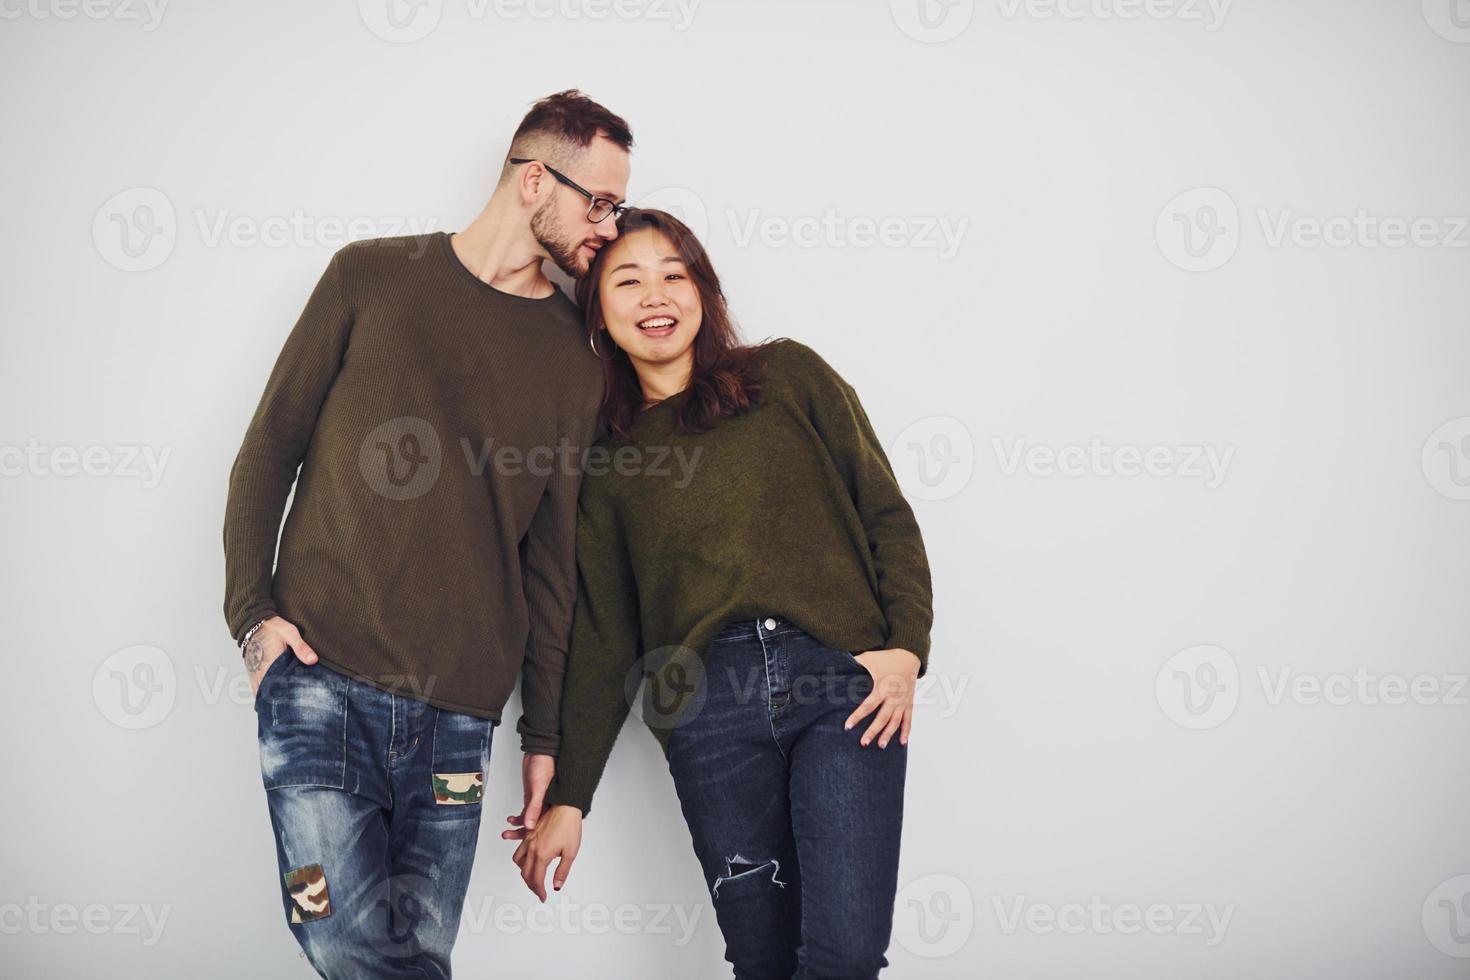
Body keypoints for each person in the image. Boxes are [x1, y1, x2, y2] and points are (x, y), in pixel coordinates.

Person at [222, 90, 631, 978]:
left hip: (460, 716)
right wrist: (252, 617)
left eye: (617, 206)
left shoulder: (575, 359)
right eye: (598, 201)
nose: (610, 225)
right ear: (534, 181)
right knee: (335, 933)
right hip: (319, 680)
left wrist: (545, 739)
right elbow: (269, 450)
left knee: (421, 950)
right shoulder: (370, 276)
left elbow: (554, 566)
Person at [510, 208, 934, 978]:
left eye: (675, 274)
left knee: (844, 952)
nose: (655, 296)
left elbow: (886, 515)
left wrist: (905, 648)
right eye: (627, 281)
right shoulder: (609, 465)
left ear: (702, 291)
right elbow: (604, 636)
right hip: (705, 712)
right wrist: (570, 796)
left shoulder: (789, 378)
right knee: (761, 960)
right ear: (598, 315)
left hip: (840, 687)